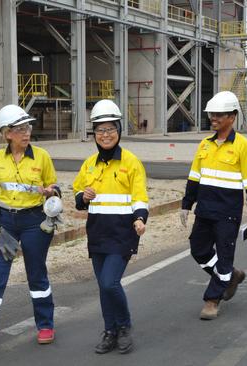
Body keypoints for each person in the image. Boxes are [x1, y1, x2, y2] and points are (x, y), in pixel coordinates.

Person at [0, 104, 61, 357]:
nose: (26, 133)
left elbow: (55, 188)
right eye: (19, 129)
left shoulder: (42, 157)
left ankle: (46, 325)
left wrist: (51, 192)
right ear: (7, 133)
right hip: (3, 223)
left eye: (27, 127)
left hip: (34, 223)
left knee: (36, 275)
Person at [72, 99, 149, 354]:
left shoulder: (131, 162)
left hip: (123, 233)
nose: (105, 135)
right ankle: (110, 331)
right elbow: (77, 194)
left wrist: (140, 218)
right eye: (100, 130)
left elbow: (140, 197)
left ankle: (124, 326)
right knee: (103, 286)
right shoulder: (89, 164)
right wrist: (83, 197)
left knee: (109, 283)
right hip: (98, 233)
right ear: (94, 133)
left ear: (118, 129)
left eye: (110, 129)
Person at [179, 91, 247, 320]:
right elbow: (194, 177)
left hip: (227, 213)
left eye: (219, 114)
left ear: (232, 117)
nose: (213, 118)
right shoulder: (204, 145)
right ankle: (231, 276)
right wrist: (186, 204)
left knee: (224, 256)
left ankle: (212, 300)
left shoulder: (243, 146)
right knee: (198, 250)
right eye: (211, 114)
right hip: (205, 210)